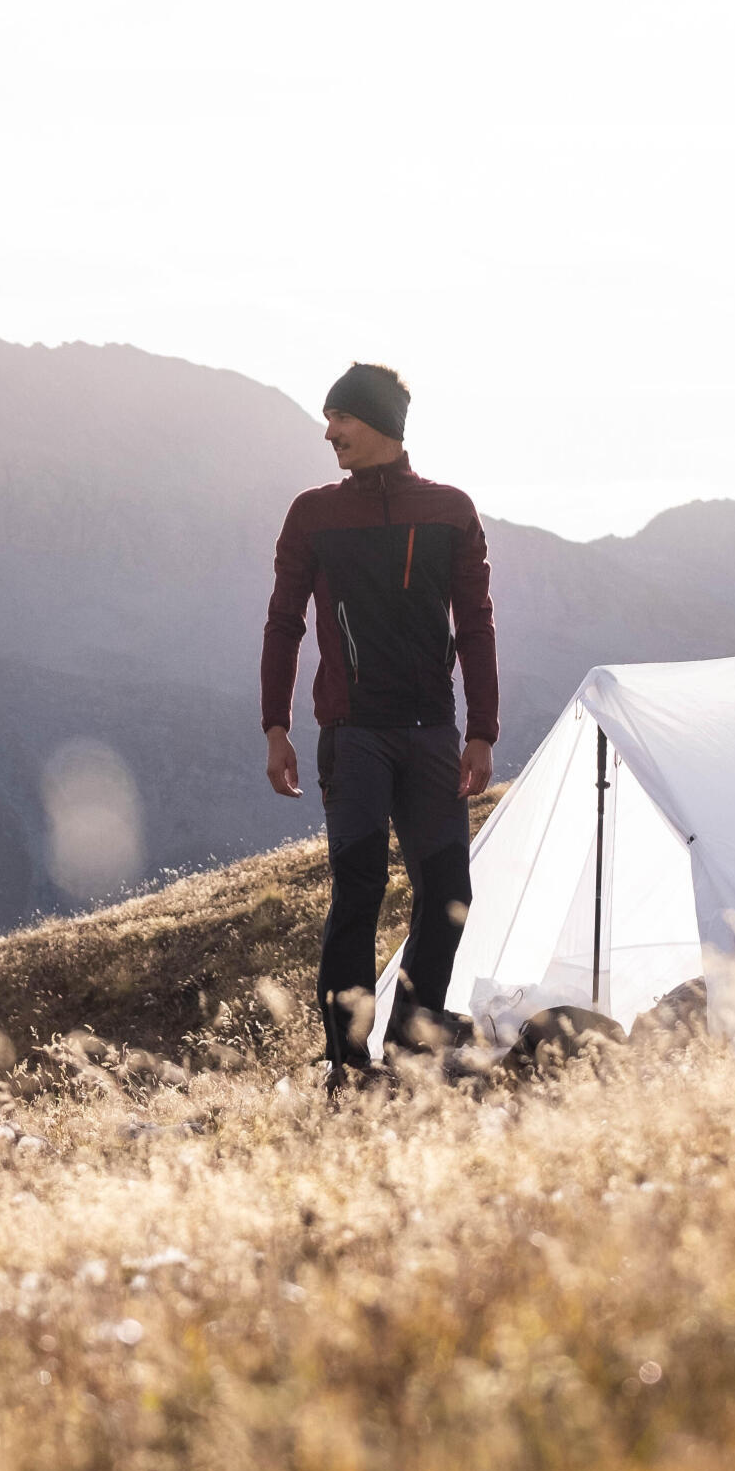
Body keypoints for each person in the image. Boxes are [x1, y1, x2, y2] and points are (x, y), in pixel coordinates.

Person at [261, 362, 498, 1076]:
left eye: (343, 418)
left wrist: (482, 730)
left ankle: (410, 1045)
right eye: (327, 419)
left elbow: (477, 623)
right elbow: (283, 623)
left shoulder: (451, 510)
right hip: (353, 733)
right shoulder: (313, 512)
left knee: (449, 893)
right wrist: (276, 726)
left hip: (433, 732)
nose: (329, 432)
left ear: (383, 425)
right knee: (358, 890)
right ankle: (347, 1063)